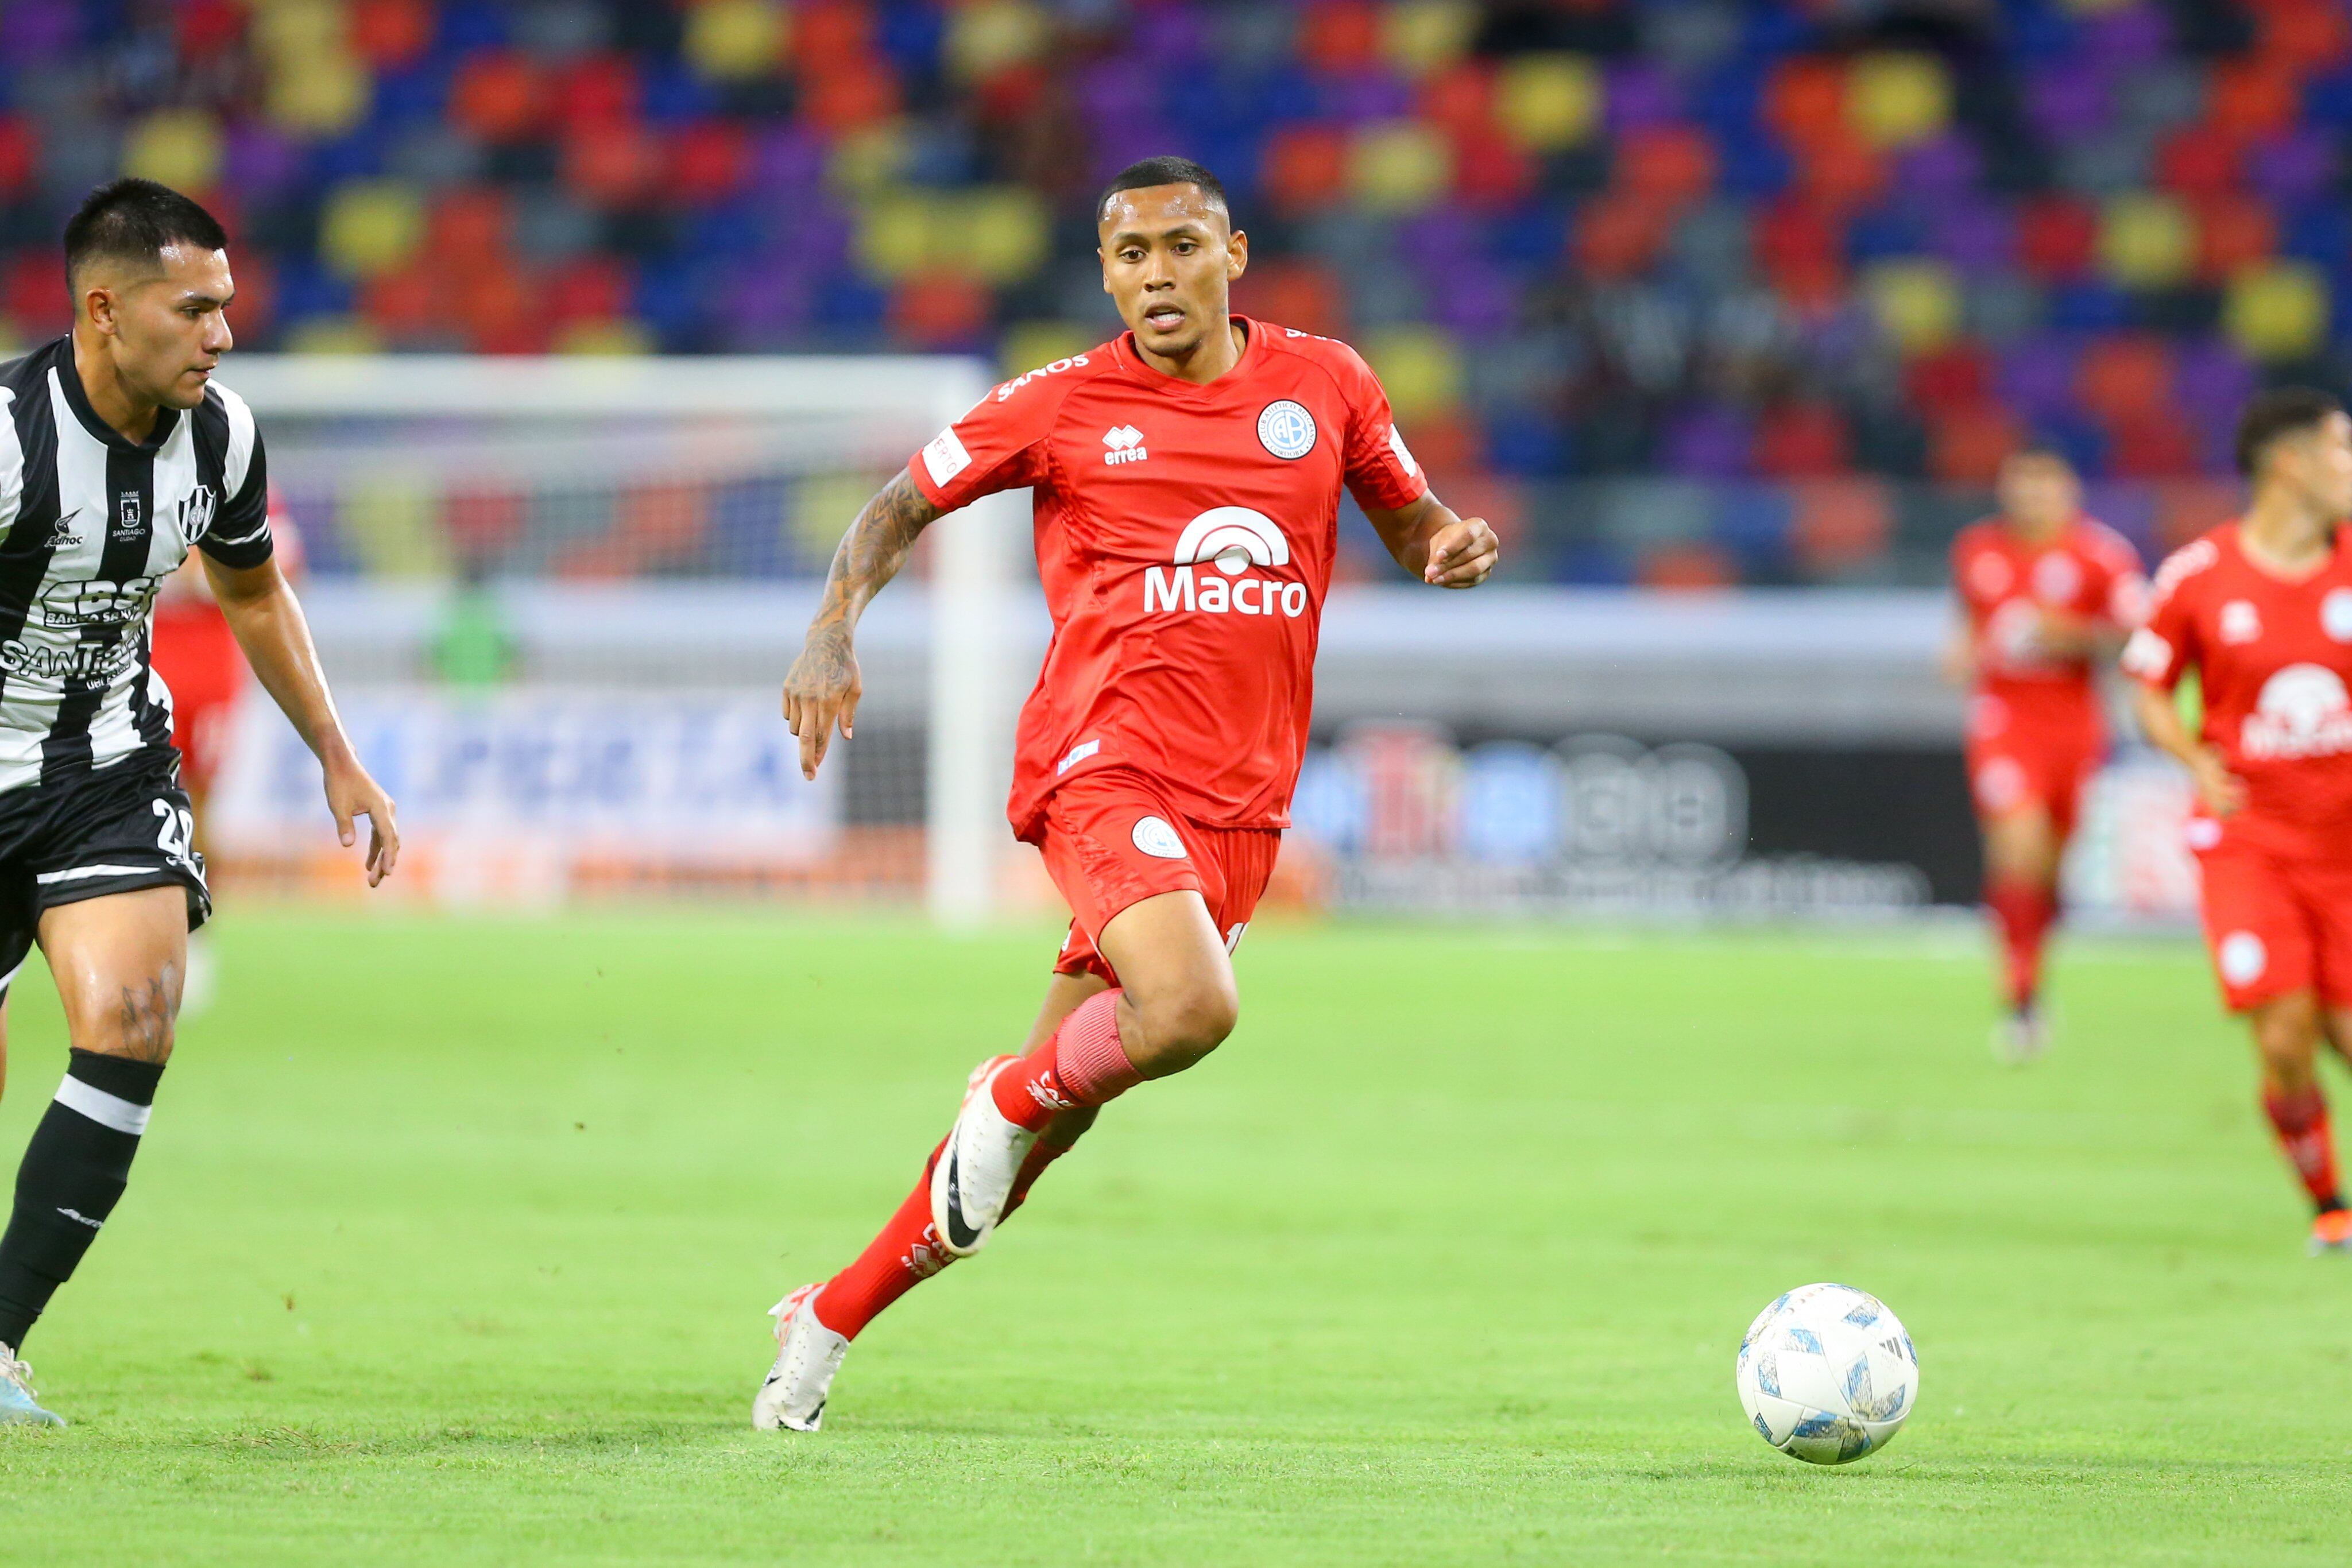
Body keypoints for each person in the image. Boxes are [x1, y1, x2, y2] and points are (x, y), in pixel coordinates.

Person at [755, 156, 1499, 1430]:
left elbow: (1406, 513)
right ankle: (1000, 1090)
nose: (1156, 275)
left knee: (1037, 1145)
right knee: (1188, 1010)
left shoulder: (1325, 383)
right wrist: (832, 625)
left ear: (1234, 255)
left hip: (1240, 807)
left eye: (1181, 248)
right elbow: (898, 502)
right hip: (1101, 767)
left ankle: (824, 1323)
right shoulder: (1059, 403)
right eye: (1130, 256)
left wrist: (1443, 541)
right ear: (1103, 274)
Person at [0, 179, 399, 1426]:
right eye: (197, 308)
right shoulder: (10, 437)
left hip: (105, 770)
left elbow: (253, 592)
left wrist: (334, 748)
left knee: (134, 1014)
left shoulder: (222, 434)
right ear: (106, 310)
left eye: (228, 307)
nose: (223, 333)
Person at [2125, 388, 2352, 1254]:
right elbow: (2147, 684)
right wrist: (2191, 756)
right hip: (2251, 841)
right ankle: (2329, 1202)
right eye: (2341, 451)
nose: (2350, 469)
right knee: (2287, 1034)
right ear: (2289, 464)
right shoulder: (2200, 574)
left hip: (2346, 843)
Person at [1944, 447, 2146, 1061]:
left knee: (2050, 871)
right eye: (2020, 486)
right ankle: (2019, 995)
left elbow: (2137, 635)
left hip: (2075, 726)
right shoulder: (1977, 550)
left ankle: (2033, 962)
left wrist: (2072, 636)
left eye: (2043, 486)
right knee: (2017, 846)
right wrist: (1960, 654)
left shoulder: (2102, 557)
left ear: (2068, 492)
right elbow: (1968, 628)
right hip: (2003, 722)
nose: (2031, 498)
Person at [147, 485, 301, 1015]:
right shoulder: (130, 461)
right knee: (136, 799)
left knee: (198, 807)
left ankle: (196, 937)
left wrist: (197, 570)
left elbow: (279, 563)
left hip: (212, 665)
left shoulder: (236, 469)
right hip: (142, 653)